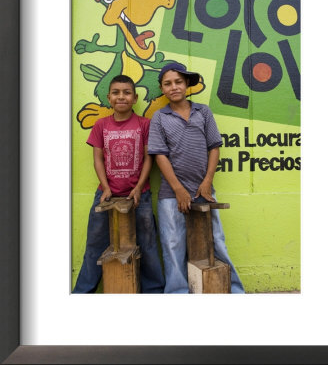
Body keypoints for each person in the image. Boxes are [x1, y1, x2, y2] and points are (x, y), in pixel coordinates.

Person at [148, 62, 245, 293]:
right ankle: (177, 292)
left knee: (217, 241)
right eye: (167, 83)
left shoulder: (203, 112)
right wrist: (178, 189)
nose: (174, 87)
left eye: (178, 82)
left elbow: (214, 147)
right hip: (171, 194)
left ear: (187, 84)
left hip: (203, 192)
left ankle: (233, 290)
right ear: (162, 89)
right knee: (173, 244)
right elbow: (159, 155)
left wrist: (207, 182)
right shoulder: (160, 118)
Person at [73, 75, 165, 293]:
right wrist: (105, 187)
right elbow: (98, 159)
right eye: (116, 92)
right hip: (106, 196)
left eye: (126, 92)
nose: (121, 96)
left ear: (135, 98)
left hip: (139, 196)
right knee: (95, 244)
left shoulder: (145, 124)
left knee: (148, 244)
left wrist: (138, 187)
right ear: (109, 98)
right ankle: (82, 293)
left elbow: (148, 158)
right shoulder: (101, 125)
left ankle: (154, 291)